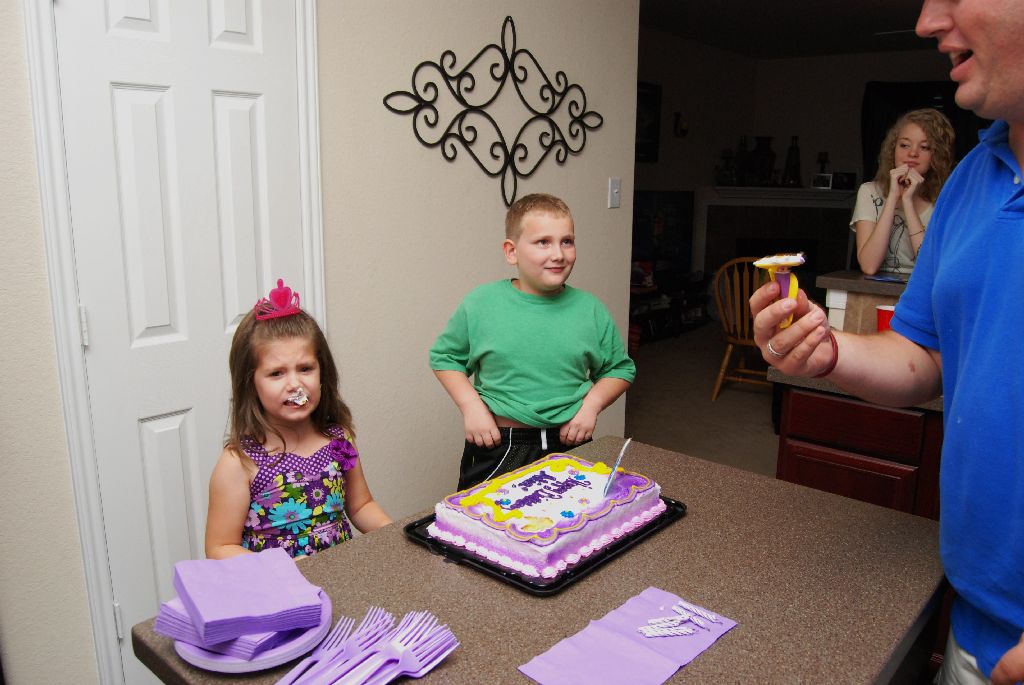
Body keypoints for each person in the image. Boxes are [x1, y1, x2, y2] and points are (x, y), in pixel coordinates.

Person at [749, 1, 1024, 683]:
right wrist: (829, 351)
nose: (927, 22)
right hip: (974, 626)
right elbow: (924, 357)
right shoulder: (974, 179)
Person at [430, 193, 636, 490]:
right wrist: (471, 406)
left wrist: (591, 406)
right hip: (501, 445)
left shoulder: (591, 309)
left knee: (573, 516)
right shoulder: (481, 304)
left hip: (571, 442)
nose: (558, 254)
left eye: (567, 241)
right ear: (511, 252)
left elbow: (620, 369)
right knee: (486, 516)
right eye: (543, 242)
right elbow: (445, 358)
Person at [205, 279, 392, 559]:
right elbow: (219, 548)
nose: (295, 384)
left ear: (322, 372)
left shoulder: (339, 440)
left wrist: (396, 535)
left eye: (305, 369)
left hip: (340, 576)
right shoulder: (238, 464)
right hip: (277, 584)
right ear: (250, 384)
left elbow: (361, 506)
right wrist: (278, 568)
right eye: (276, 373)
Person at [852, 108, 956, 275]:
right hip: (877, 288)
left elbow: (930, 267)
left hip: (924, 288)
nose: (912, 153)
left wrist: (907, 201)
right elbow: (869, 266)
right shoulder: (869, 192)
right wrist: (893, 197)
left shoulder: (947, 199)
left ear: (937, 155)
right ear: (893, 148)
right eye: (904, 145)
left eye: (925, 147)